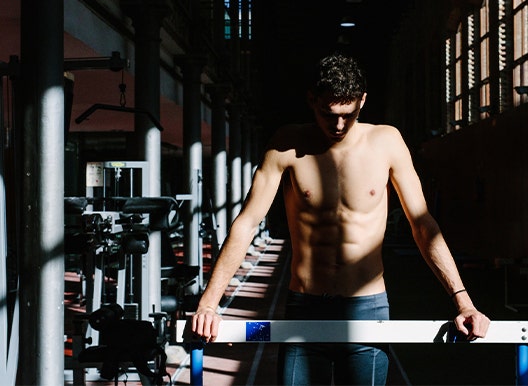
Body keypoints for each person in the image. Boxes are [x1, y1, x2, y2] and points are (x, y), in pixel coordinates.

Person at [191, 53, 490, 385]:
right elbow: (246, 224)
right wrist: (209, 303)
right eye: (327, 114)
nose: (337, 125)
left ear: (362, 101)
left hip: (368, 307)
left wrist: (464, 302)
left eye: (348, 115)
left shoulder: (387, 142)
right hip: (305, 306)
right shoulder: (286, 145)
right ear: (312, 100)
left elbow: (422, 225)